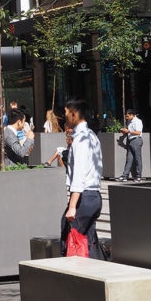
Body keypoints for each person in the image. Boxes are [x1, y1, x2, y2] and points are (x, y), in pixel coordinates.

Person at [61, 98, 102, 257]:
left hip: (84, 197)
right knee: (87, 242)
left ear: (74, 114)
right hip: (94, 196)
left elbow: (79, 174)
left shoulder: (81, 139)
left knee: (70, 238)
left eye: (65, 112)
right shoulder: (91, 136)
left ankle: (76, 276)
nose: (64, 116)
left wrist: (72, 206)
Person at [117, 109, 143, 182]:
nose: (126, 118)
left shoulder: (137, 121)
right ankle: (125, 176)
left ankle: (138, 176)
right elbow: (130, 132)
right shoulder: (129, 122)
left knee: (138, 159)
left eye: (128, 116)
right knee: (129, 159)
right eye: (126, 116)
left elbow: (138, 132)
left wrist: (128, 131)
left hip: (136, 140)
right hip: (130, 140)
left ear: (132, 115)